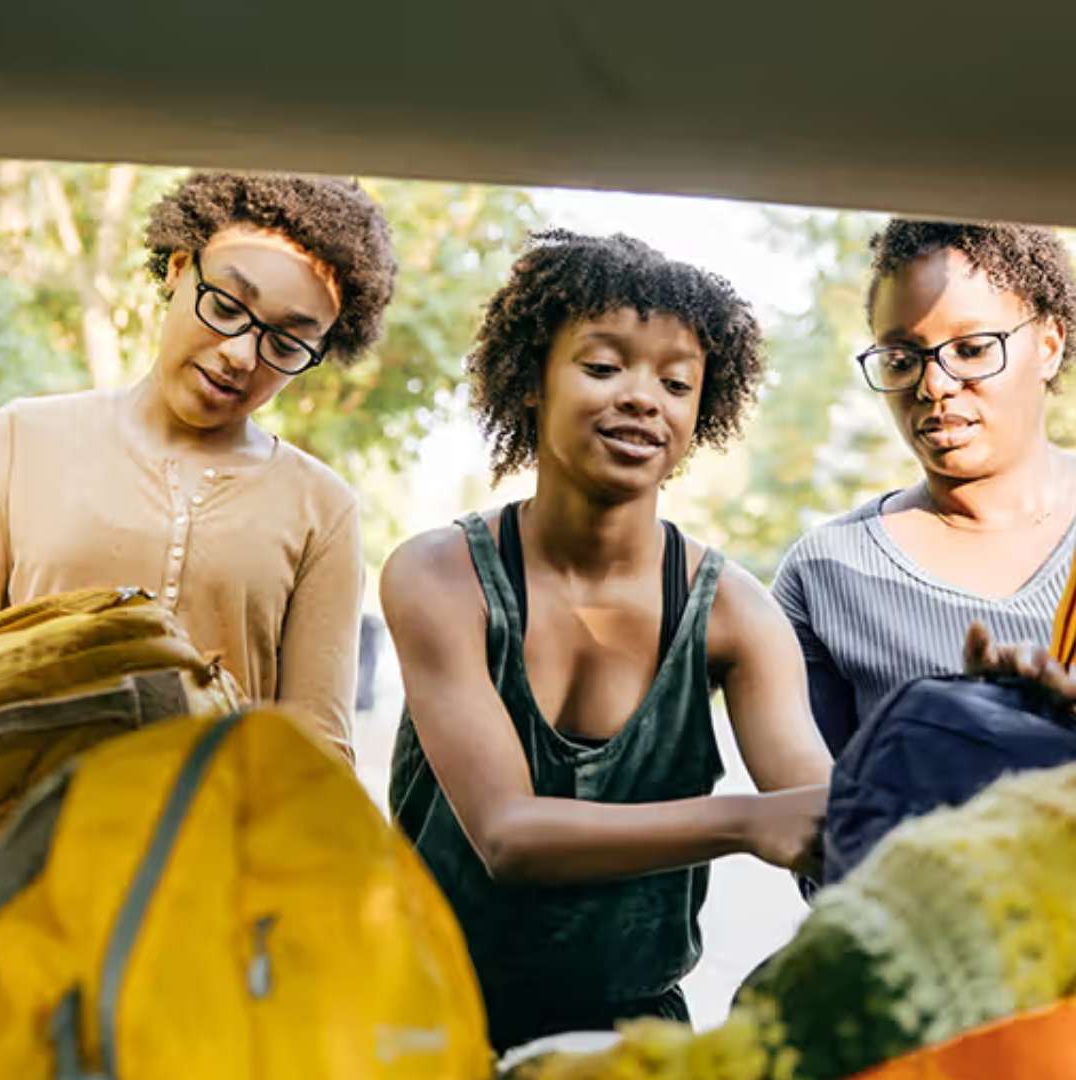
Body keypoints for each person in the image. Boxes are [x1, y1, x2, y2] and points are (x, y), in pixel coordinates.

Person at [383, 230, 832, 1054]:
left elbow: (818, 811)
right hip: (422, 1026)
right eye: (602, 367)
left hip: (630, 1042)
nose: (643, 398)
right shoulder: (440, 576)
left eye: (676, 382)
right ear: (531, 383)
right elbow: (508, 835)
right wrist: (741, 821)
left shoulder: (734, 612)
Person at [0, 171, 396, 760]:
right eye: (228, 306)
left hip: (214, 842)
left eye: (286, 343)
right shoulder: (21, 437)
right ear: (180, 267)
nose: (240, 354)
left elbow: (317, 754)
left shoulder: (323, 509)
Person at [773, 221, 1076, 758]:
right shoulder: (824, 576)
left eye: (973, 349)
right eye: (901, 359)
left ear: (1048, 345)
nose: (933, 384)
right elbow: (824, 820)